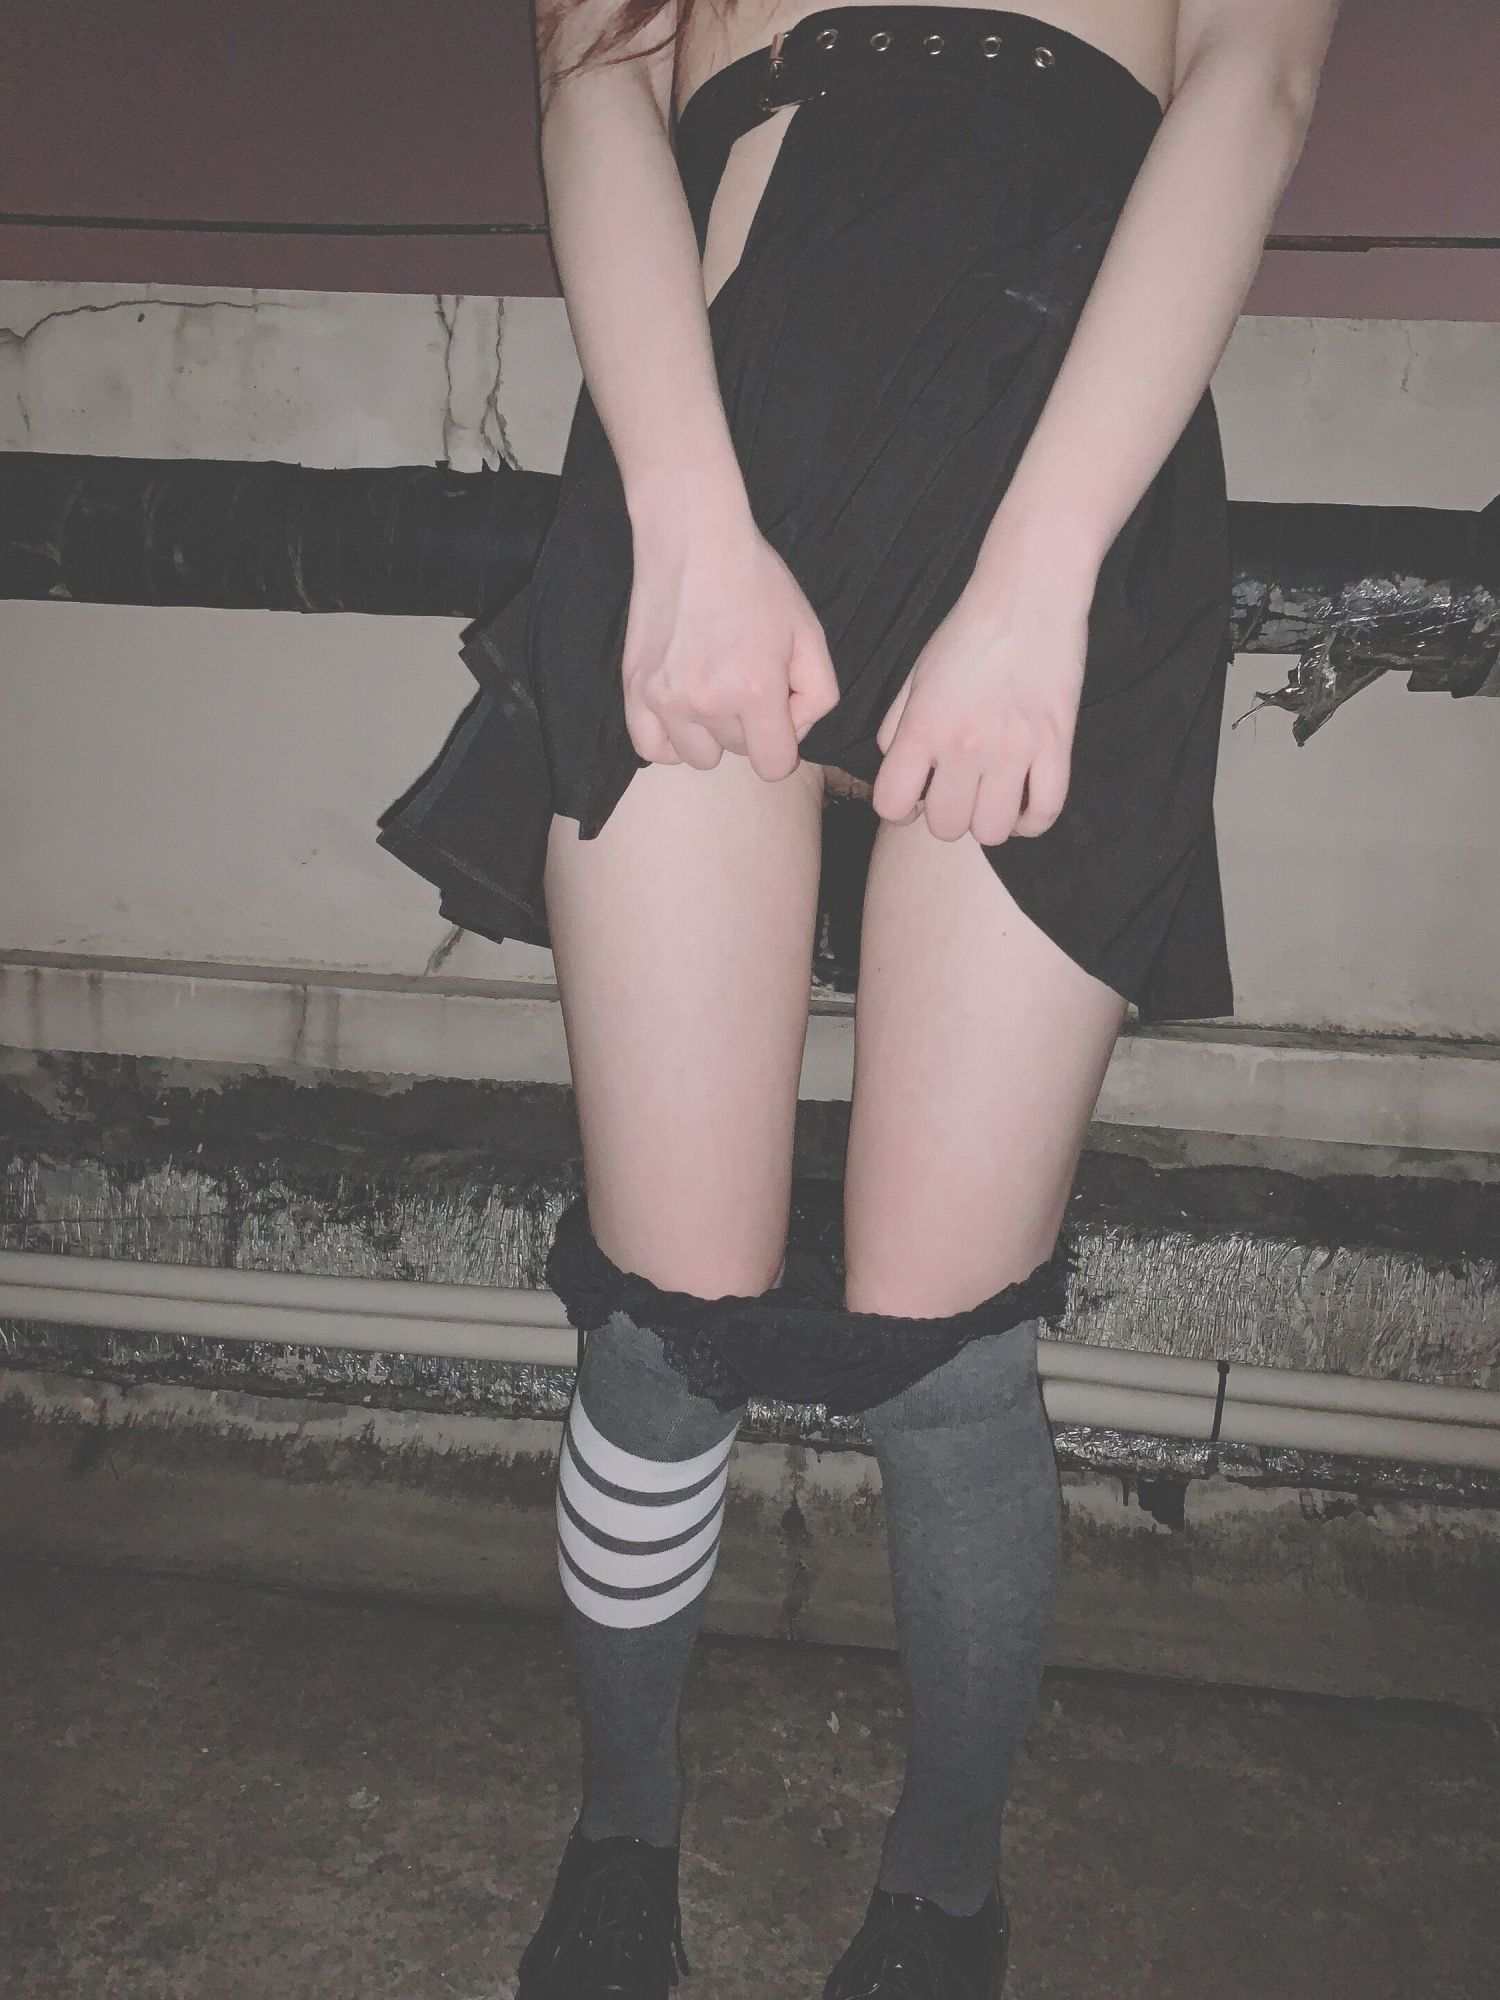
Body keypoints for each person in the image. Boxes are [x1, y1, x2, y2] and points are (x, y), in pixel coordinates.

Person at [383, 3, 1340, 1993]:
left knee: (946, 1353)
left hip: (1067, 479)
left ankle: (942, 1892)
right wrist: (684, 522)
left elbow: (1253, 93)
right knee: (662, 1322)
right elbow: (594, 87)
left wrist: (1038, 582)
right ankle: (623, 1834)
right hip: (723, 439)